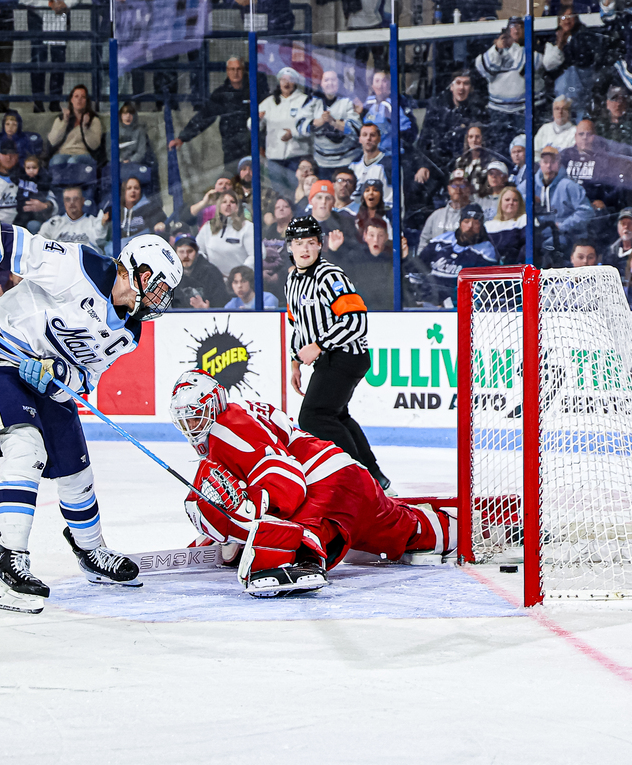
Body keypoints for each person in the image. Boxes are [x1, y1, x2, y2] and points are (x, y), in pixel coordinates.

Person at [0, 227, 183, 614]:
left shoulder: (129, 333)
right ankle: (8, 564)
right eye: (156, 285)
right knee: (26, 448)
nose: (159, 298)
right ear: (135, 270)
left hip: (45, 383)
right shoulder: (76, 266)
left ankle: (92, 553)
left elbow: (86, 378)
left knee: (77, 471)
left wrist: (58, 374)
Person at [168, 372, 455, 596]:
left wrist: (245, 514)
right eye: (186, 420)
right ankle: (458, 527)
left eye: (196, 416)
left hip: (326, 485)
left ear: (214, 403)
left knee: (296, 538)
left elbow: (287, 483)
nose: (192, 426)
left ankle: (302, 561)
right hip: (344, 476)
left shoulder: (227, 428)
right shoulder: (237, 414)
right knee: (405, 530)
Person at [284, 216, 390, 489]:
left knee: (313, 416)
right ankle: (375, 478)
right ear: (289, 247)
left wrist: (318, 346)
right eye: (298, 243)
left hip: (347, 355)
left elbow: (357, 321)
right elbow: (298, 324)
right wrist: (296, 360)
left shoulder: (330, 276)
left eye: (311, 242)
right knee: (336, 414)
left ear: (320, 245)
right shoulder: (292, 281)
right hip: (330, 357)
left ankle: (360, 481)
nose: (305, 249)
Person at [474, 18, 562, 156]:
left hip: (526, 110)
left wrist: (516, 49)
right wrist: (497, 48)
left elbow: (541, 65)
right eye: (513, 26)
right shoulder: (494, 51)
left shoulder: (533, 50)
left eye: (520, 26)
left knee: (526, 150)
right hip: (499, 111)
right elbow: (485, 70)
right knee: (501, 151)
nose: (516, 30)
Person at [412, 70, 488, 200]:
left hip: (465, 165)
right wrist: (423, 166)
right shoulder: (437, 110)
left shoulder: (477, 112)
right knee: (417, 188)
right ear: (451, 87)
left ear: (471, 88)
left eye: (466, 84)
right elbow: (423, 141)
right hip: (437, 166)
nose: (461, 88)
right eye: (458, 83)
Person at [169, 57, 254, 171]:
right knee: (232, 179)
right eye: (232, 69)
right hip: (231, 147)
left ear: (243, 70)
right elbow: (204, 116)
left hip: (252, 144)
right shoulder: (221, 94)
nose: (235, 72)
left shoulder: (254, 91)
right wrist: (182, 137)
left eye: (238, 69)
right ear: (227, 71)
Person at [522, 145, 594, 261]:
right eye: (545, 162)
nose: (549, 166)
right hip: (538, 234)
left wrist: (562, 226)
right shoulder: (530, 184)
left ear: (559, 163)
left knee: (549, 248)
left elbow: (586, 212)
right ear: (540, 163)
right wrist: (528, 203)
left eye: (553, 162)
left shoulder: (569, 185)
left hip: (565, 236)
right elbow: (514, 198)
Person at [418, 204, 499, 305]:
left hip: (459, 306)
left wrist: (450, 301)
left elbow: (481, 288)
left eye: (475, 223)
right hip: (429, 301)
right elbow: (418, 267)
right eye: (466, 221)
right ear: (460, 223)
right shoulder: (441, 240)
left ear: (481, 225)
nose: (470, 226)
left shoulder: (486, 251)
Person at [257, 67, 313, 197]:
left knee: (298, 193)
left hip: (297, 156)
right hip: (274, 158)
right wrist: (257, 119)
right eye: (283, 80)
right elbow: (251, 125)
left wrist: (293, 133)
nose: (286, 83)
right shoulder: (269, 102)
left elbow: (310, 126)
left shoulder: (304, 100)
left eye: (290, 80)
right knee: (279, 195)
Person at [297, 70, 362, 175]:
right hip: (322, 163)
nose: (330, 83)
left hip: (348, 161)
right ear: (321, 83)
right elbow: (300, 126)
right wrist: (319, 122)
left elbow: (357, 129)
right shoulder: (313, 100)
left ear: (339, 83)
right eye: (326, 80)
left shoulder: (347, 101)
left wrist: (334, 122)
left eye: (333, 80)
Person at [0, 141, 49, 226]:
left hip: (24, 227)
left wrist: (46, 206)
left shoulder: (32, 178)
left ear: (18, 156)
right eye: (4, 153)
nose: (8, 157)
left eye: (12, 153)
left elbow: (53, 199)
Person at [359, 69, 416, 159]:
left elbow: (410, 133)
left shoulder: (398, 101)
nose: (380, 85)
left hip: (392, 156)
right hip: (371, 155)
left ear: (390, 84)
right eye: (377, 81)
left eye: (384, 81)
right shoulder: (368, 103)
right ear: (372, 85)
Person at [197, 191, 254, 276]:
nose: (228, 204)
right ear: (219, 206)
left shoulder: (247, 227)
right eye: (224, 202)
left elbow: (256, 255)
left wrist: (240, 274)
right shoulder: (208, 227)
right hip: (214, 279)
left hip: (240, 281)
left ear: (237, 206)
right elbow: (198, 251)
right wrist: (208, 269)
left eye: (232, 202)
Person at [26, 0, 68, 110]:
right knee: (38, 59)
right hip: (37, 16)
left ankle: (55, 101)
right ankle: (38, 102)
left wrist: (66, 3)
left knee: (59, 60)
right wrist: (49, 4)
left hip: (60, 16)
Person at [48, 86, 103, 168]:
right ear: (71, 100)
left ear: (86, 101)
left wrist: (85, 127)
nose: (79, 100)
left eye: (83, 97)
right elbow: (53, 141)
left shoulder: (93, 119)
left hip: (84, 154)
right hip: (63, 153)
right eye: (76, 96)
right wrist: (65, 122)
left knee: (73, 161)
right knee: (56, 161)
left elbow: (94, 145)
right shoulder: (61, 118)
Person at [346, 219, 395, 310]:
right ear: (365, 236)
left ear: (386, 237)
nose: (376, 240)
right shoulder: (354, 258)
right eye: (371, 235)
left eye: (380, 235)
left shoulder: (393, 258)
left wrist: (404, 258)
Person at [173, 234, 231, 309]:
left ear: (197, 253)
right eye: (181, 252)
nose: (186, 256)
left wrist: (207, 309)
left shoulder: (211, 273)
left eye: (190, 251)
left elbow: (222, 303)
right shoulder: (170, 274)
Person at [39, 186, 108, 249]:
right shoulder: (54, 223)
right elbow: (40, 243)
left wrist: (102, 224)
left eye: (76, 199)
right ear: (64, 202)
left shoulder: (92, 222)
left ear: (82, 201)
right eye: (68, 199)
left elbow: (99, 241)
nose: (72, 203)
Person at [349, 123, 394, 207]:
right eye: (364, 135)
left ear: (379, 139)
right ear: (360, 139)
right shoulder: (353, 165)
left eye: (372, 135)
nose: (368, 138)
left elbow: (390, 202)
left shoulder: (389, 165)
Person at [115, 175, 166, 249]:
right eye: (129, 188)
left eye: (136, 188)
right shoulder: (115, 210)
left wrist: (160, 225)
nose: (133, 191)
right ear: (123, 191)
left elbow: (161, 227)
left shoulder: (151, 208)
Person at [593, 85, 632, 150]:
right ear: (607, 102)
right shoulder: (599, 126)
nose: (619, 103)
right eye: (614, 99)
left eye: (623, 99)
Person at [486, 186, 527, 265]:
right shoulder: (489, 226)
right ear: (501, 202)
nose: (511, 203)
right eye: (507, 200)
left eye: (515, 200)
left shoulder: (525, 220)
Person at [602, 207, 632, 278]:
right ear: (618, 226)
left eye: (630, 223)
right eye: (623, 223)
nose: (626, 227)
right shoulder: (610, 251)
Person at [534, 96, 577, 161]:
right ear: (553, 111)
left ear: (569, 112)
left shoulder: (575, 131)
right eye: (557, 109)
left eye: (564, 109)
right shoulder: (544, 129)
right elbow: (535, 153)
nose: (560, 112)